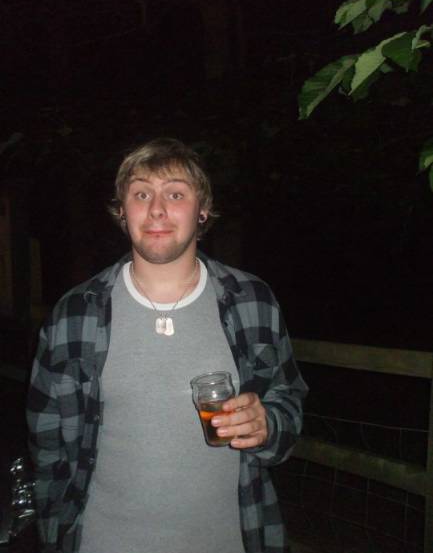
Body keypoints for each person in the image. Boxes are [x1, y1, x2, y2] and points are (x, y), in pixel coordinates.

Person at [27, 137, 308, 553]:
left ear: (202, 210)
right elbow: (47, 446)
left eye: (175, 194)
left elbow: (288, 399)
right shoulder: (74, 314)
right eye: (142, 194)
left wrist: (268, 425)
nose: (157, 209)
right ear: (122, 211)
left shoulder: (252, 301)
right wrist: (54, 534)